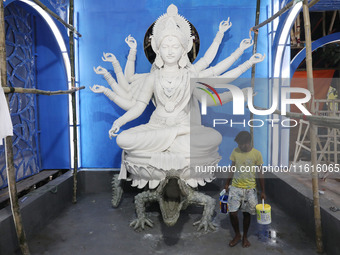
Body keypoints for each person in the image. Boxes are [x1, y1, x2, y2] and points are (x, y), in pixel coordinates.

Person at [91, 4, 265, 189]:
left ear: (184, 49)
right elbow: (139, 107)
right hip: (157, 127)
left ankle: (179, 135)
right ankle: (177, 135)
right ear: (158, 49)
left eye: (175, 46)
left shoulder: (189, 76)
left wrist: (238, 95)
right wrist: (119, 123)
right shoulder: (153, 77)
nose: (170, 50)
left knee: (213, 137)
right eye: (165, 46)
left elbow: (211, 100)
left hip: (184, 128)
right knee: (124, 138)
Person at [224, 131, 266, 248]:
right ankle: (237, 235)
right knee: (232, 213)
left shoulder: (256, 154)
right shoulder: (235, 152)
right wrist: (227, 183)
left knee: (247, 214)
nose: (239, 146)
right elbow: (232, 168)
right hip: (235, 188)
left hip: (250, 189)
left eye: (241, 144)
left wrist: (263, 191)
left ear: (248, 143)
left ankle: (245, 237)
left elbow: (260, 173)